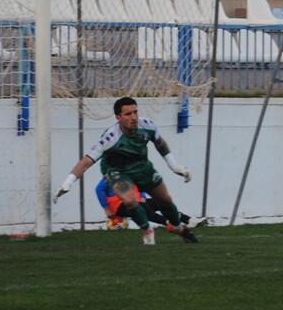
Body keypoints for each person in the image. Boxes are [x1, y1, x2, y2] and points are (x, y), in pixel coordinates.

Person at [53, 96, 199, 245]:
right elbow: (86, 161)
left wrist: (174, 166)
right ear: (118, 117)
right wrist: (68, 182)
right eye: (128, 114)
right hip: (117, 171)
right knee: (130, 201)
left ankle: (177, 227)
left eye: (135, 112)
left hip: (142, 167)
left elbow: (160, 143)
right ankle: (147, 228)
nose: (134, 117)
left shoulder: (147, 126)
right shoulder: (110, 138)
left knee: (165, 200)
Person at [95, 177, 207, 235]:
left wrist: (143, 195)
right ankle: (171, 224)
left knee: (161, 203)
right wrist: (106, 209)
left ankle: (190, 220)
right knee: (148, 213)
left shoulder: (131, 170)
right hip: (119, 205)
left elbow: (139, 184)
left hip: (135, 200)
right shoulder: (113, 174)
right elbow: (99, 189)